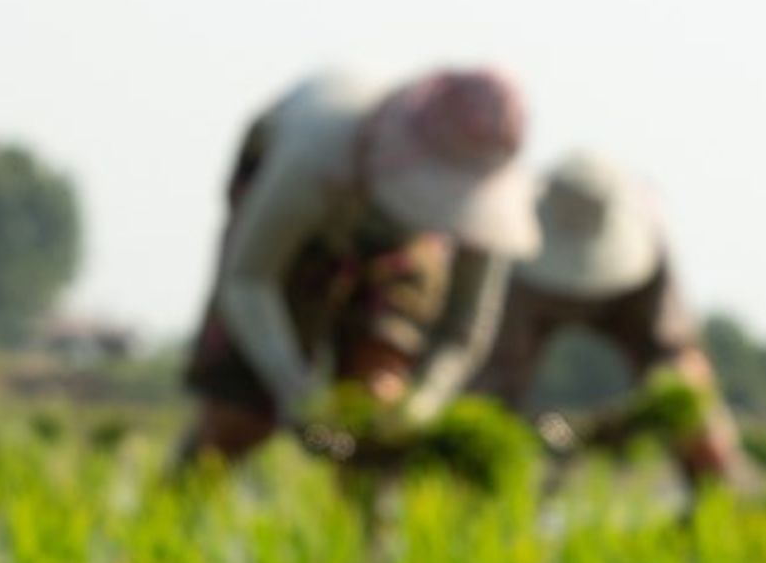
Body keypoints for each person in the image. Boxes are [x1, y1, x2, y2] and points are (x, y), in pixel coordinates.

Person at [175, 67, 541, 471]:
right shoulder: (315, 155)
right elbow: (249, 281)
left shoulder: (481, 207)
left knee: (378, 397)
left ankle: (368, 517)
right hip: (294, 235)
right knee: (241, 415)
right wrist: (293, 386)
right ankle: (179, 501)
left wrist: (426, 399)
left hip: (396, 247)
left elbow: (464, 326)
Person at [469, 152, 747, 488]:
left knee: (687, 391)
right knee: (486, 395)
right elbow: (496, 359)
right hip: (534, 290)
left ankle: (723, 494)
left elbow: (672, 346)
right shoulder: (511, 246)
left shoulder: (649, 241)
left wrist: (678, 391)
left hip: (628, 294)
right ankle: (484, 494)